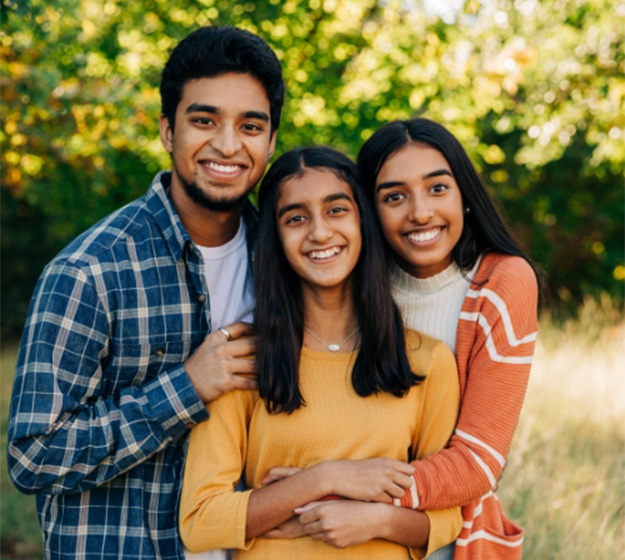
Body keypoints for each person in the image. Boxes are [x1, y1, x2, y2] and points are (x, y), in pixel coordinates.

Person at [7, 26, 284, 560]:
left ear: (270, 141)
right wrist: (185, 388)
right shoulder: (90, 271)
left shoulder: (285, 265)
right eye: (204, 120)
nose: (228, 145)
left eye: (250, 125)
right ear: (167, 130)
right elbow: (35, 455)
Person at [178, 146, 462, 559]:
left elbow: (448, 516)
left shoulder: (425, 360)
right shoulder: (242, 359)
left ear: (362, 220)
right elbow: (200, 522)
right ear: (275, 238)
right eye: (296, 218)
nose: (320, 233)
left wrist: (374, 520)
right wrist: (326, 479)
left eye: (336, 210)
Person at [354, 117, 540, 559]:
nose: (420, 211)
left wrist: (349, 494)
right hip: (337, 537)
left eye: (438, 188)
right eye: (394, 196)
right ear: (368, 209)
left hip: (448, 540)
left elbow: (478, 463)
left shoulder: (501, 283)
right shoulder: (349, 286)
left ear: (465, 197)